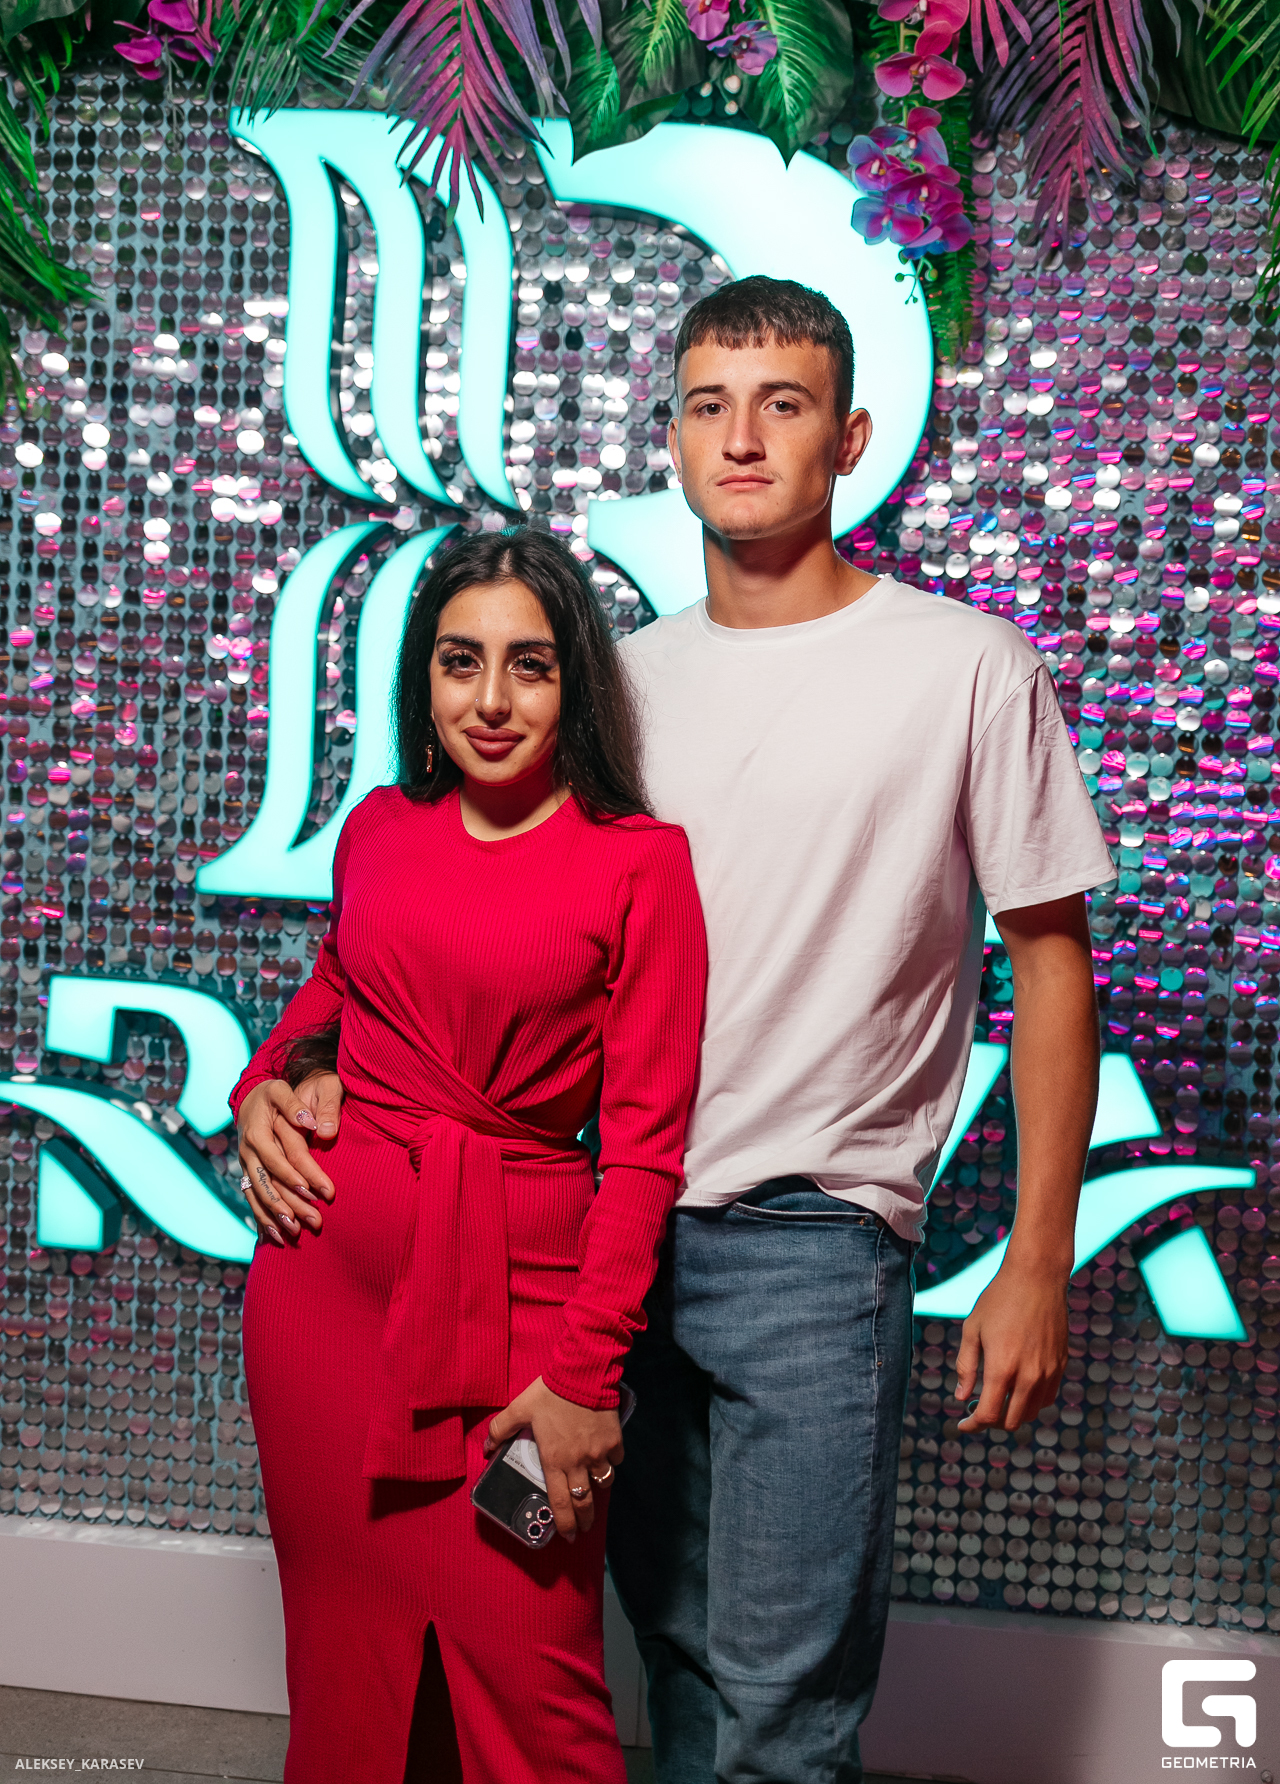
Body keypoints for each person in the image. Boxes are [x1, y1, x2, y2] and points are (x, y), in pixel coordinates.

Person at [603, 275, 1116, 1784]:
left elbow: (1051, 968)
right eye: (707, 406)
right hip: (616, 1226)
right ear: (670, 440)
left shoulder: (965, 667)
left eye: (781, 405)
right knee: (675, 1668)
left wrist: (1035, 1260)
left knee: (783, 1709)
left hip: (816, 1240)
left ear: (850, 439)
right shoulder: (621, 682)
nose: (740, 439)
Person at [232, 529, 707, 1784]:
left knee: (535, 1677)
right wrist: (259, 1087)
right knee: (342, 1655)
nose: (490, 701)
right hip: (320, 1298)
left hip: (526, 1320)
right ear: (423, 678)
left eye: (527, 666)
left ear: (573, 683)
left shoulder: (639, 863)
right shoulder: (381, 826)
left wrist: (585, 1374)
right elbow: (333, 990)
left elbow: (644, 1153)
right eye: (460, 662)